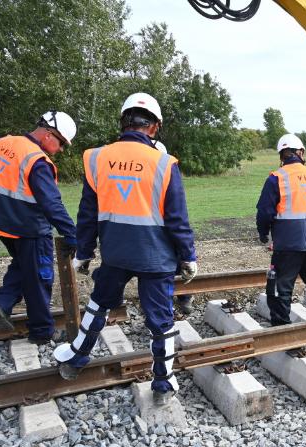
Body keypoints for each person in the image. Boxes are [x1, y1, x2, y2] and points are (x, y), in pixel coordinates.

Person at [53, 93, 198, 407]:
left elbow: (88, 212)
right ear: (155, 127)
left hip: (116, 253)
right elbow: (177, 218)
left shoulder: (96, 158)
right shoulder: (164, 162)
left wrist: (84, 252)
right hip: (157, 257)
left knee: (99, 305)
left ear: (123, 122)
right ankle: (163, 381)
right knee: (160, 320)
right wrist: (188, 256)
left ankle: (76, 357)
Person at [0, 111, 78, 344]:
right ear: (47, 134)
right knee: (40, 277)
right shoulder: (37, 161)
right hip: (29, 228)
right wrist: (72, 234)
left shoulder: (1, 143)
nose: (60, 149)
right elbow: (52, 204)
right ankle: (42, 332)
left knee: (23, 266)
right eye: (61, 142)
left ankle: (1, 303)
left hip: (0, 222)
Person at [256, 133, 306, 327]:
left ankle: (281, 326)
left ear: (281, 155)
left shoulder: (277, 178)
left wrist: (263, 234)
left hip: (288, 245)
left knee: (279, 287)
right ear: (300, 152)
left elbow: (264, 212)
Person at [154, 140, 193, 314]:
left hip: (158, 234)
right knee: (173, 265)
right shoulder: (165, 170)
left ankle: (182, 299)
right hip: (161, 233)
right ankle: (180, 300)